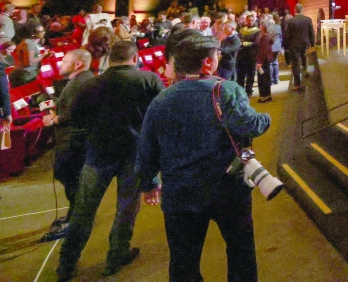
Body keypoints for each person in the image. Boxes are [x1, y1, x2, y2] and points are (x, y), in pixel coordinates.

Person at [138, 34, 270, 282]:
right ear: (207, 64)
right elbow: (249, 125)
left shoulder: (160, 101)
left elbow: (146, 149)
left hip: (180, 193)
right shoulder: (226, 90)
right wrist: (266, 119)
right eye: (217, 55)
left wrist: (148, 184)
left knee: (183, 260)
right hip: (228, 189)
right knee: (240, 250)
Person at [57, 41, 164, 281]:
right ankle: (116, 256)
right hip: (134, 155)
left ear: (110, 58)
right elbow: (158, 119)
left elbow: (76, 118)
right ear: (135, 57)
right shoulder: (149, 80)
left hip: (97, 155)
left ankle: (66, 263)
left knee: (83, 211)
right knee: (126, 209)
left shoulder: (90, 84)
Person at [42, 49, 96, 238]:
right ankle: (74, 216)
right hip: (75, 140)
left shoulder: (79, 83)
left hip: (74, 142)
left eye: (64, 61)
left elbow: (71, 114)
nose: (60, 64)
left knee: (71, 180)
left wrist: (53, 120)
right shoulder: (82, 80)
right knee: (71, 181)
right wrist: (47, 105)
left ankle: (75, 221)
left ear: (78, 64)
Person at [283, 4, 314, 92]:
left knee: (295, 63)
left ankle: (297, 84)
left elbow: (286, 35)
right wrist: (312, 44)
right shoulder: (308, 20)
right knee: (304, 56)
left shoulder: (290, 21)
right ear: (302, 10)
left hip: (294, 45)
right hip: (305, 43)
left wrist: (286, 46)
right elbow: (311, 32)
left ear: (294, 10)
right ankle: (305, 69)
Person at [252, 20, 274, 103]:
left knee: (263, 78)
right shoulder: (266, 36)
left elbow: (263, 51)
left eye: (261, 25)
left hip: (263, 61)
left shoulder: (265, 37)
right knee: (264, 78)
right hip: (264, 61)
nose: (259, 27)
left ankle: (265, 95)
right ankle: (265, 95)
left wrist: (259, 62)